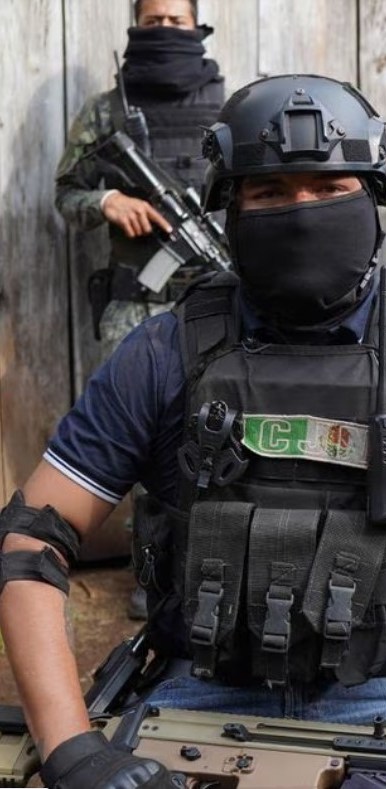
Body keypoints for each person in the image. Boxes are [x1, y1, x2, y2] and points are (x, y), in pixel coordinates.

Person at [0, 75, 386, 789]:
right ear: (231, 207)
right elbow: (32, 540)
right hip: (199, 697)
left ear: (371, 195)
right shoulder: (163, 352)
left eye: (329, 187)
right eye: (270, 192)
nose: (302, 211)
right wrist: (72, 747)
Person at [54, 0, 225, 619]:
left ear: (198, 25)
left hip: (216, 296)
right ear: (135, 24)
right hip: (137, 304)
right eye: (154, 19)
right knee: (140, 437)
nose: (165, 29)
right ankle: (151, 573)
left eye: (176, 20)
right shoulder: (107, 110)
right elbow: (66, 191)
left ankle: (215, 568)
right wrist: (106, 202)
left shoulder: (228, 106)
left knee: (221, 429)